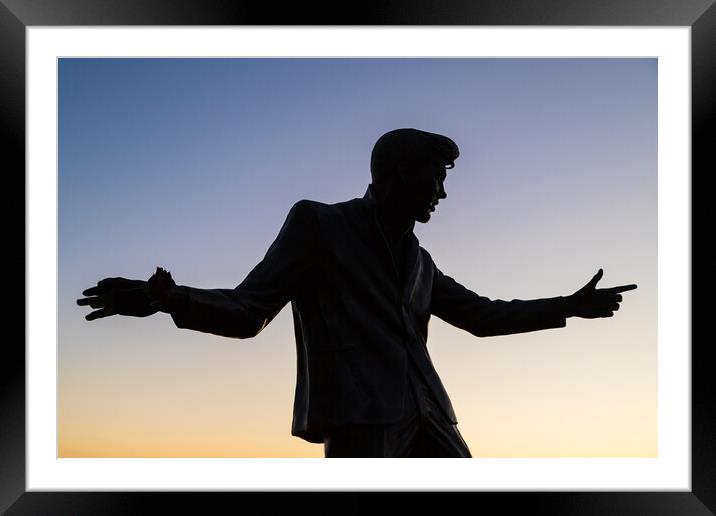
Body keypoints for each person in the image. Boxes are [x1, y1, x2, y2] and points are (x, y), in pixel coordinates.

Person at [77, 128, 637, 458]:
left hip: (434, 421)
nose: (444, 191)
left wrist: (568, 306)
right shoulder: (319, 225)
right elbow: (249, 311)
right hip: (361, 423)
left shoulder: (421, 261)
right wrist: (169, 299)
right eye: (435, 176)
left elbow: (483, 317)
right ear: (394, 174)